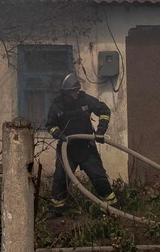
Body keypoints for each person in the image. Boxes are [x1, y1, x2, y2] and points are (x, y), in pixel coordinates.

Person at [45, 73, 116, 211]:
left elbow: (104, 110)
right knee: (60, 179)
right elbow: (51, 125)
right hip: (67, 149)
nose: (77, 93)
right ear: (66, 92)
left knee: (98, 177)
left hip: (86, 147)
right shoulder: (57, 105)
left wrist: (100, 131)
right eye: (74, 91)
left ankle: (111, 205)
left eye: (77, 90)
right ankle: (57, 209)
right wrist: (58, 134)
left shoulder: (85, 100)